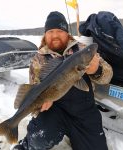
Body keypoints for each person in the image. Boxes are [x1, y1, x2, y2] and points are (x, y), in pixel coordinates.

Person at [13, 11, 113, 150]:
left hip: (84, 113)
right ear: (45, 34)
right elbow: (33, 92)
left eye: (59, 30)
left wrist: (97, 70)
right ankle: (26, 143)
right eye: (51, 31)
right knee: (39, 139)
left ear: (67, 33)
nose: (55, 35)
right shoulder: (38, 59)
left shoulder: (83, 49)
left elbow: (108, 75)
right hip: (54, 111)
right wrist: (40, 106)